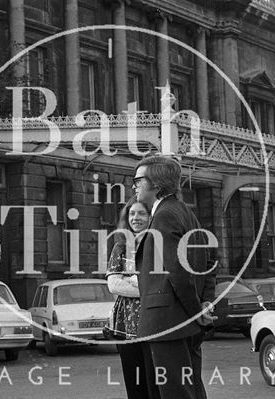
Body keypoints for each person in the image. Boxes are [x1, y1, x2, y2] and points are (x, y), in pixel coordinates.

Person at [133, 155, 215, 399]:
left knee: (176, 393)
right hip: (182, 323)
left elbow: (177, 272)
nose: (134, 185)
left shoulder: (165, 215)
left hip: (169, 323)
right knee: (190, 391)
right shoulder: (186, 213)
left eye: (138, 180)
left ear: (156, 185)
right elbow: (208, 264)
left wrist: (196, 312)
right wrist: (203, 305)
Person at [105, 197, 153, 399]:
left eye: (142, 213)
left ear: (151, 217)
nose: (136, 218)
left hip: (154, 319)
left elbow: (164, 280)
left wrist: (133, 280)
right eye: (132, 214)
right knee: (135, 384)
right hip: (127, 323)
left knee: (156, 380)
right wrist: (146, 286)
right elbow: (114, 284)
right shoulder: (121, 247)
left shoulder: (157, 245)